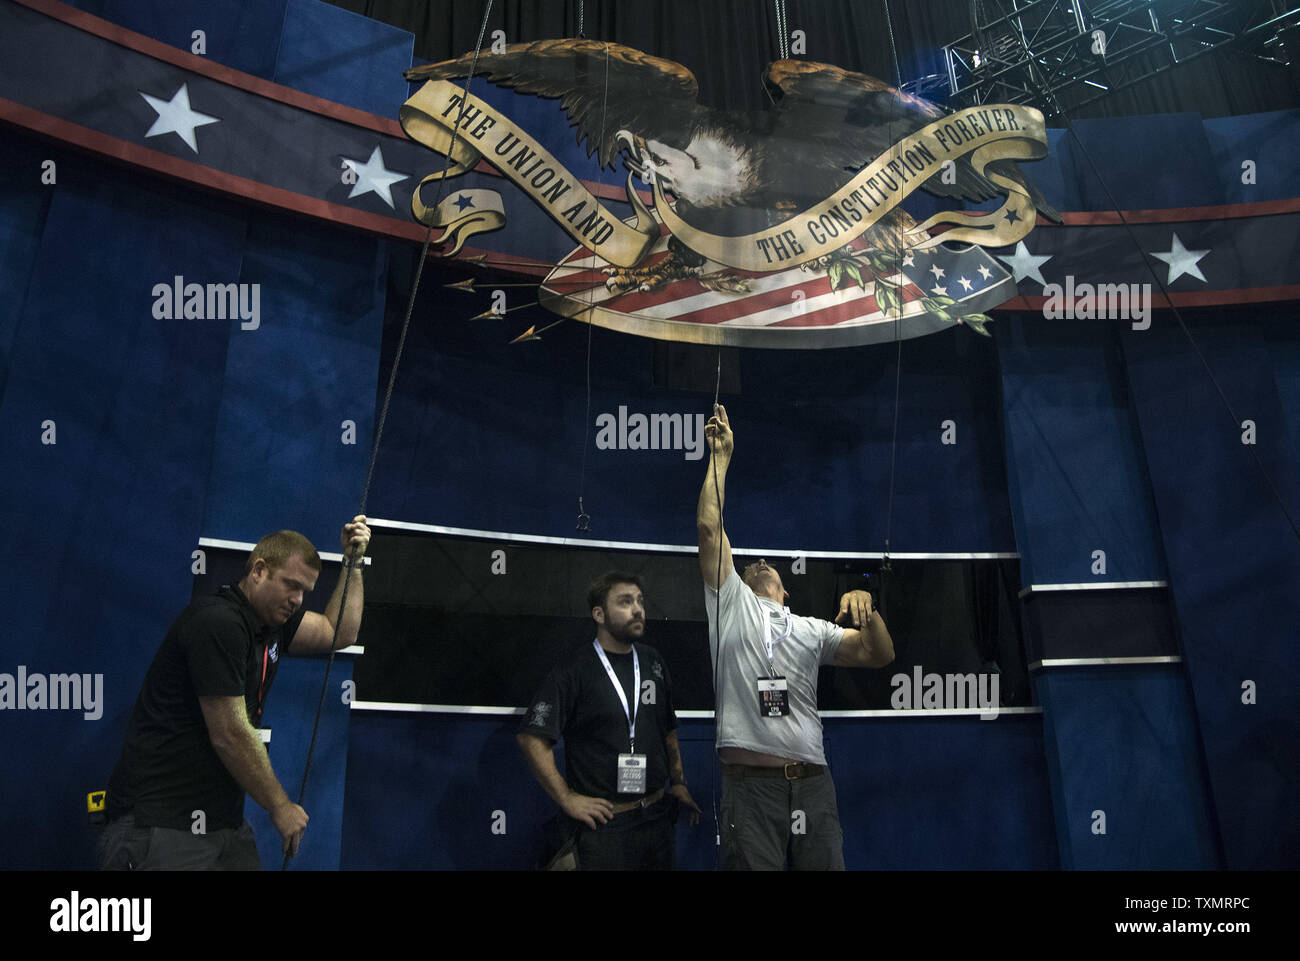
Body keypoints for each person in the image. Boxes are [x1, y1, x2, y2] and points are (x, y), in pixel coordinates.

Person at [97, 516, 371, 870]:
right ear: (258, 570)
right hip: (162, 822)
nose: (297, 600)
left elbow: (339, 632)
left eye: (305, 590)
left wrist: (352, 563)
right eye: (291, 585)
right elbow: (229, 733)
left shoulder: (272, 625)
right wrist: (279, 806)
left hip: (221, 824)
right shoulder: (218, 622)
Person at [697, 405, 894, 870]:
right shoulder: (732, 603)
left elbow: (878, 654)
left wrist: (870, 610)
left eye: (769, 565)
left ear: (786, 592)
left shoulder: (811, 628)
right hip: (750, 785)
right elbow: (709, 528)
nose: (759, 563)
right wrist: (721, 459)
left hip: (812, 782)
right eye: (751, 566)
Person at [517, 571, 701, 870]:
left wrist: (678, 782)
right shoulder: (575, 669)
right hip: (606, 827)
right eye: (625, 602)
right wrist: (566, 798)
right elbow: (531, 738)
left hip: (656, 818)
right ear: (599, 614)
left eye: (640, 601)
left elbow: (668, 728)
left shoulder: (653, 660)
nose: (638, 609)